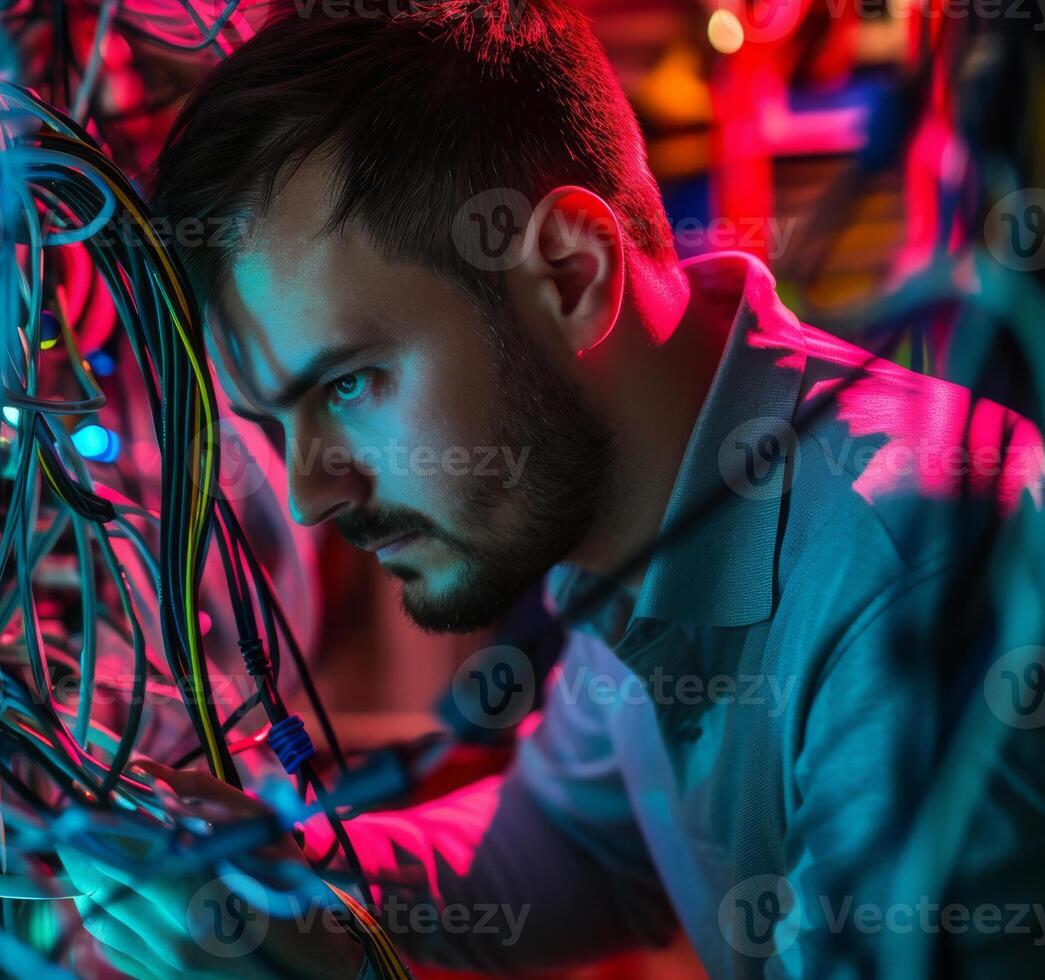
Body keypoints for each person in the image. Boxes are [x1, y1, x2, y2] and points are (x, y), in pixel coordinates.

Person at [60, 1, 1045, 977]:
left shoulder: (912, 572)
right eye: (275, 423)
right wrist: (292, 871)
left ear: (572, 275)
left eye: (348, 383)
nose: (312, 493)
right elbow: (569, 847)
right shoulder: (643, 502)